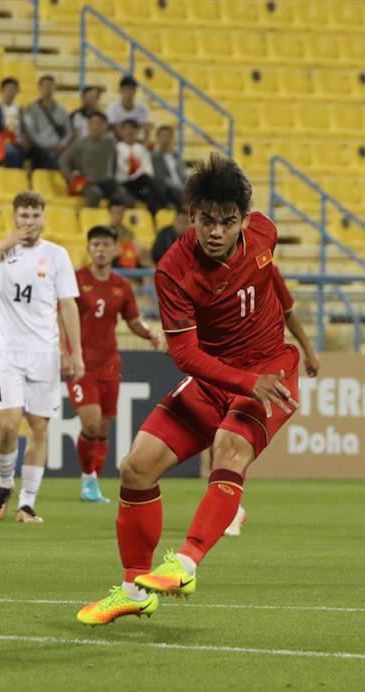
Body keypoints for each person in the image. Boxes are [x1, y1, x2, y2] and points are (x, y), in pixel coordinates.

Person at [77, 154, 301, 625]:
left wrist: (299, 337)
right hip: (217, 377)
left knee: (229, 445)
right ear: (191, 216)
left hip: (270, 373)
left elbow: (270, 275)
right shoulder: (174, 269)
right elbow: (185, 357)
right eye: (206, 220)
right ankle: (133, 590)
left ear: (243, 220)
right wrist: (243, 382)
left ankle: (186, 562)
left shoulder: (264, 232)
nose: (216, 231)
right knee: (135, 467)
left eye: (227, 221)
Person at [0, 191, 83, 524]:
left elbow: (69, 305)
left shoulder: (57, 255)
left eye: (35, 215)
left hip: (44, 353)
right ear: (15, 218)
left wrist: (76, 353)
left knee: (39, 430)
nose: (29, 222)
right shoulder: (3, 251)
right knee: (7, 425)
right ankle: (4, 485)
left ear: (44, 217)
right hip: (8, 352)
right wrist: (4, 244)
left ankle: (27, 503)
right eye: (24, 216)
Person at [66, 225, 161, 504]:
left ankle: (94, 481)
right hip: (81, 363)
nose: (100, 249)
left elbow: (132, 321)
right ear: (88, 248)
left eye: (106, 244)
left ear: (116, 249)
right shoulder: (75, 281)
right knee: (91, 422)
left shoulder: (121, 285)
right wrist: (67, 353)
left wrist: (149, 333)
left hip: (109, 364)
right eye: (95, 244)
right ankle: (88, 479)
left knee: (105, 426)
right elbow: (62, 318)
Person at [224, 266, 319, 536]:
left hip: (261, 366)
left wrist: (309, 351)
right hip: (225, 363)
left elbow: (289, 312)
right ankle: (229, 504)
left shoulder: (264, 267)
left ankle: (231, 508)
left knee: (234, 436)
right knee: (219, 438)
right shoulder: (204, 271)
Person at [58, 111, 132, 207]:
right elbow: (63, 160)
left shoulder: (110, 142)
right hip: (88, 182)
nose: (95, 126)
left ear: (105, 126)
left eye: (99, 123)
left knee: (125, 198)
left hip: (107, 181)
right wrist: (70, 176)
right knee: (95, 194)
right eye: (93, 123)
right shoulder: (80, 143)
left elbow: (114, 162)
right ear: (89, 125)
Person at [115, 118, 168, 215]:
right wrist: (141, 175)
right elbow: (123, 169)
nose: (129, 132)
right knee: (147, 181)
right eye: (126, 129)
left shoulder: (140, 148)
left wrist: (145, 176)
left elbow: (147, 167)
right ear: (121, 132)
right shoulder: (118, 148)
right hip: (127, 182)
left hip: (142, 184)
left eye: (132, 130)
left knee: (149, 194)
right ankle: (164, 204)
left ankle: (155, 216)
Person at [21, 75, 73, 170]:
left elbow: (68, 131)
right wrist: (48, 145)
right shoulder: (31, 109)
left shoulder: (62, 109)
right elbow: (31, 132)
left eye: (51, 85)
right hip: (40, 146)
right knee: (48, 156)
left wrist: (62, 144)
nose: (48, 88)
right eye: (45, 85)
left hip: (59, 145)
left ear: (54, 88)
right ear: (40, 88)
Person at [151, 124, 188, 212]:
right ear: (158, 138)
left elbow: (184, 175)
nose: (165, 139)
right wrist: (179, 188)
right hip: (167, 189)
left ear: (172, 138)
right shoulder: (155, 156)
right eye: (162, 136)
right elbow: (161, 178)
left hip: (181, 188)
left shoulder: (176, 155)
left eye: (168, 136)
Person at [107, 75, 151, 142]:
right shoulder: (113, 107)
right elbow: (114, 128)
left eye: (132, 89)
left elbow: (145, 128)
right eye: (126, 89)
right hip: (117, 142)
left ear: (135, 91)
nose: (129, 92)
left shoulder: (142, 108)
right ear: (120, 90)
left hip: (135, 142)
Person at [0, 77, 25, 166]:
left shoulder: (20, 110)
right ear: (1, 90)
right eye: (8, 89)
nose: (10, 92)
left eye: (13, 90)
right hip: (1, 141)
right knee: (11, 152)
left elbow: (23, 129)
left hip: (17, 142)